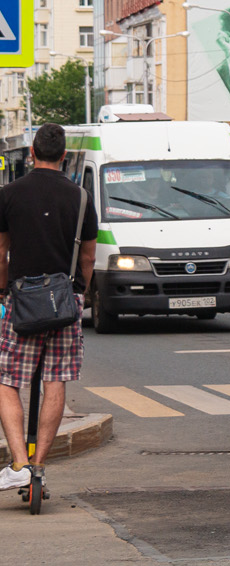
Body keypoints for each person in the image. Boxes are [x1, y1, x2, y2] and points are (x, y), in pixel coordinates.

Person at [0, 123, 99, 492]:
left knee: (7, 381)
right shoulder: (81, 198)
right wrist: (79, 294)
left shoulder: (8, 194)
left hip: (21, 300)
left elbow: (1, 252)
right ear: (63, 156)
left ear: (31, 153)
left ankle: (19, 464)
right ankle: (39, 466)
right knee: (55, 379)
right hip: (65, 301)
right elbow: (88, 257)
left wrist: (2, 292)